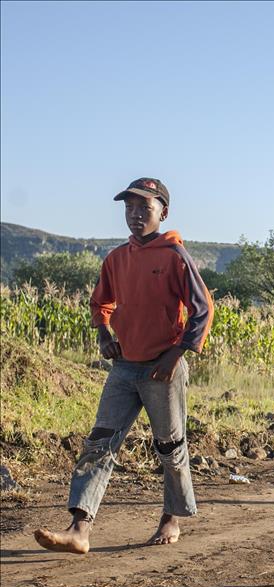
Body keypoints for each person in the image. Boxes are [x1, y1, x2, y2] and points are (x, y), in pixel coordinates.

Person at [34, 177, 214, 554]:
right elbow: (101, 303)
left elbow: (203, 309)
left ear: (163, 211)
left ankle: (172, 517)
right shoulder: (117, 258)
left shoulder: (174, 256)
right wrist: (103, 334)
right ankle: (79, 528)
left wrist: (176, 352)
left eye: (144, 207)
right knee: (99, 442)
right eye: (129, 208)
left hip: (161, 370)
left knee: (170, 446)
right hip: (124, 368)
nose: (135, 214)